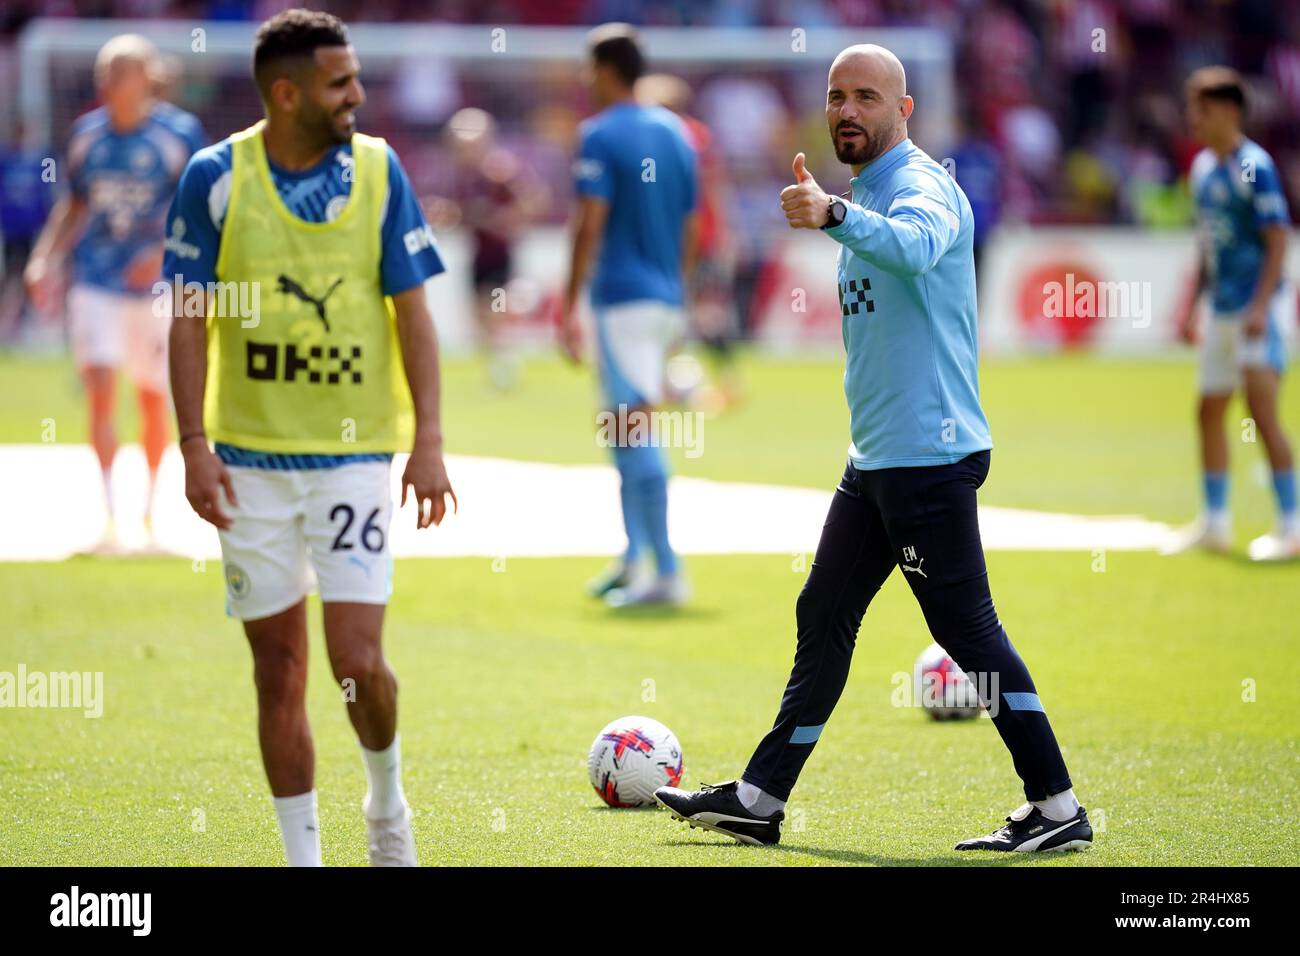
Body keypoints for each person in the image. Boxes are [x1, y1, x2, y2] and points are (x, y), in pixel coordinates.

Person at [654, 45, 1092, 853]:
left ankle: (1058, 808)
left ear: (904, 109)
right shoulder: (869, 189)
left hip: (927, 457)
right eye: (835, 97)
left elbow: (919, 244)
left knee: (971, 638)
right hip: (881, 459)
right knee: (823, 612)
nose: (847, 111)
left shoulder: (919, 185)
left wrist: (833, 217)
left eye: (866, 97)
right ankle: (759, 796)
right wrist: (839, 212)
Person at [164, 9, 455, 866]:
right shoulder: (216, 178)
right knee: (277, 669)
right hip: (247, 466)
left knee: (356, 660)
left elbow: (414, 311)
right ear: (285, 93)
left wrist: (427, 439)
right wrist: (191, 442)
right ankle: (304, 859)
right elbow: (187, 320)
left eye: (357, 78)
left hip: (354, 459)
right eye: (340, 83)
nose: (357, 95)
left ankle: (387, 805)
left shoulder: (378, 170)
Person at [25, 35, 205, 550]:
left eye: (119, 72)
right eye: (104, 72)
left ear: (146, 78)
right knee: (100, 389)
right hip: (96, 280)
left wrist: (162, 252)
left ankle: (149, 519)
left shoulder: (178, 135)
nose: (107, 82)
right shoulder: (86, 136)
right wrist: (44, 258)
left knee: (153, 398)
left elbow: (199, 210)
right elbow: (76, 205)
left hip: (155, 289)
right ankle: (108, 519)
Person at [559, 24, 698, 608]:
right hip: (662, 295)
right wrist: (678, 293)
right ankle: (634, 554)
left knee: (632, 430)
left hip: (621, 300)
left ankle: (665, 571)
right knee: (622, 430)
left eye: (590, 69)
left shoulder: (599, 134)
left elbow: (590, 221)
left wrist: (566, 303)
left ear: (606, 70)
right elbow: (692, 223)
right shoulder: (677, 134)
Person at [1166, 66, 1297, 561]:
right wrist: (1191, 307)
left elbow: (1278, 238)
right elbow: (1208, 244)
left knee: (1262, 412)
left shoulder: (1254, 166)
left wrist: (1262, 306)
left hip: (1254, 308)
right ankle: (1216, 524)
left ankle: (1291, 524)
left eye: (1199, 108)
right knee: (1209, 410)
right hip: (1221, 309)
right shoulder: (1202, 168)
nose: (1192, 118)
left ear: (1225, 110)